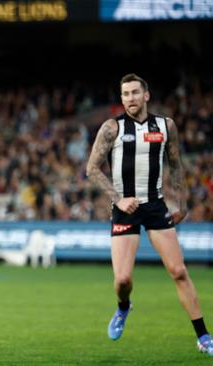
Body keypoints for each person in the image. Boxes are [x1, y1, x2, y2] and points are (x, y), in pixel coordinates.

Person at [86, 73, 213, 356]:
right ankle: (123, 307)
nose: (130, 98)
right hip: (125, 210)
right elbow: (92, 169)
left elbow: (176, 163)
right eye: (125, 94)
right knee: (122, 281)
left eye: (134, 92)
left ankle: (203, 336)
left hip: (155, 206)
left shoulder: (166, 126)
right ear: (121, 99)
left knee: (179, 271)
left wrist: (180, 202)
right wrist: (118, 200)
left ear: (146, 95)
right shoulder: (111, 128)